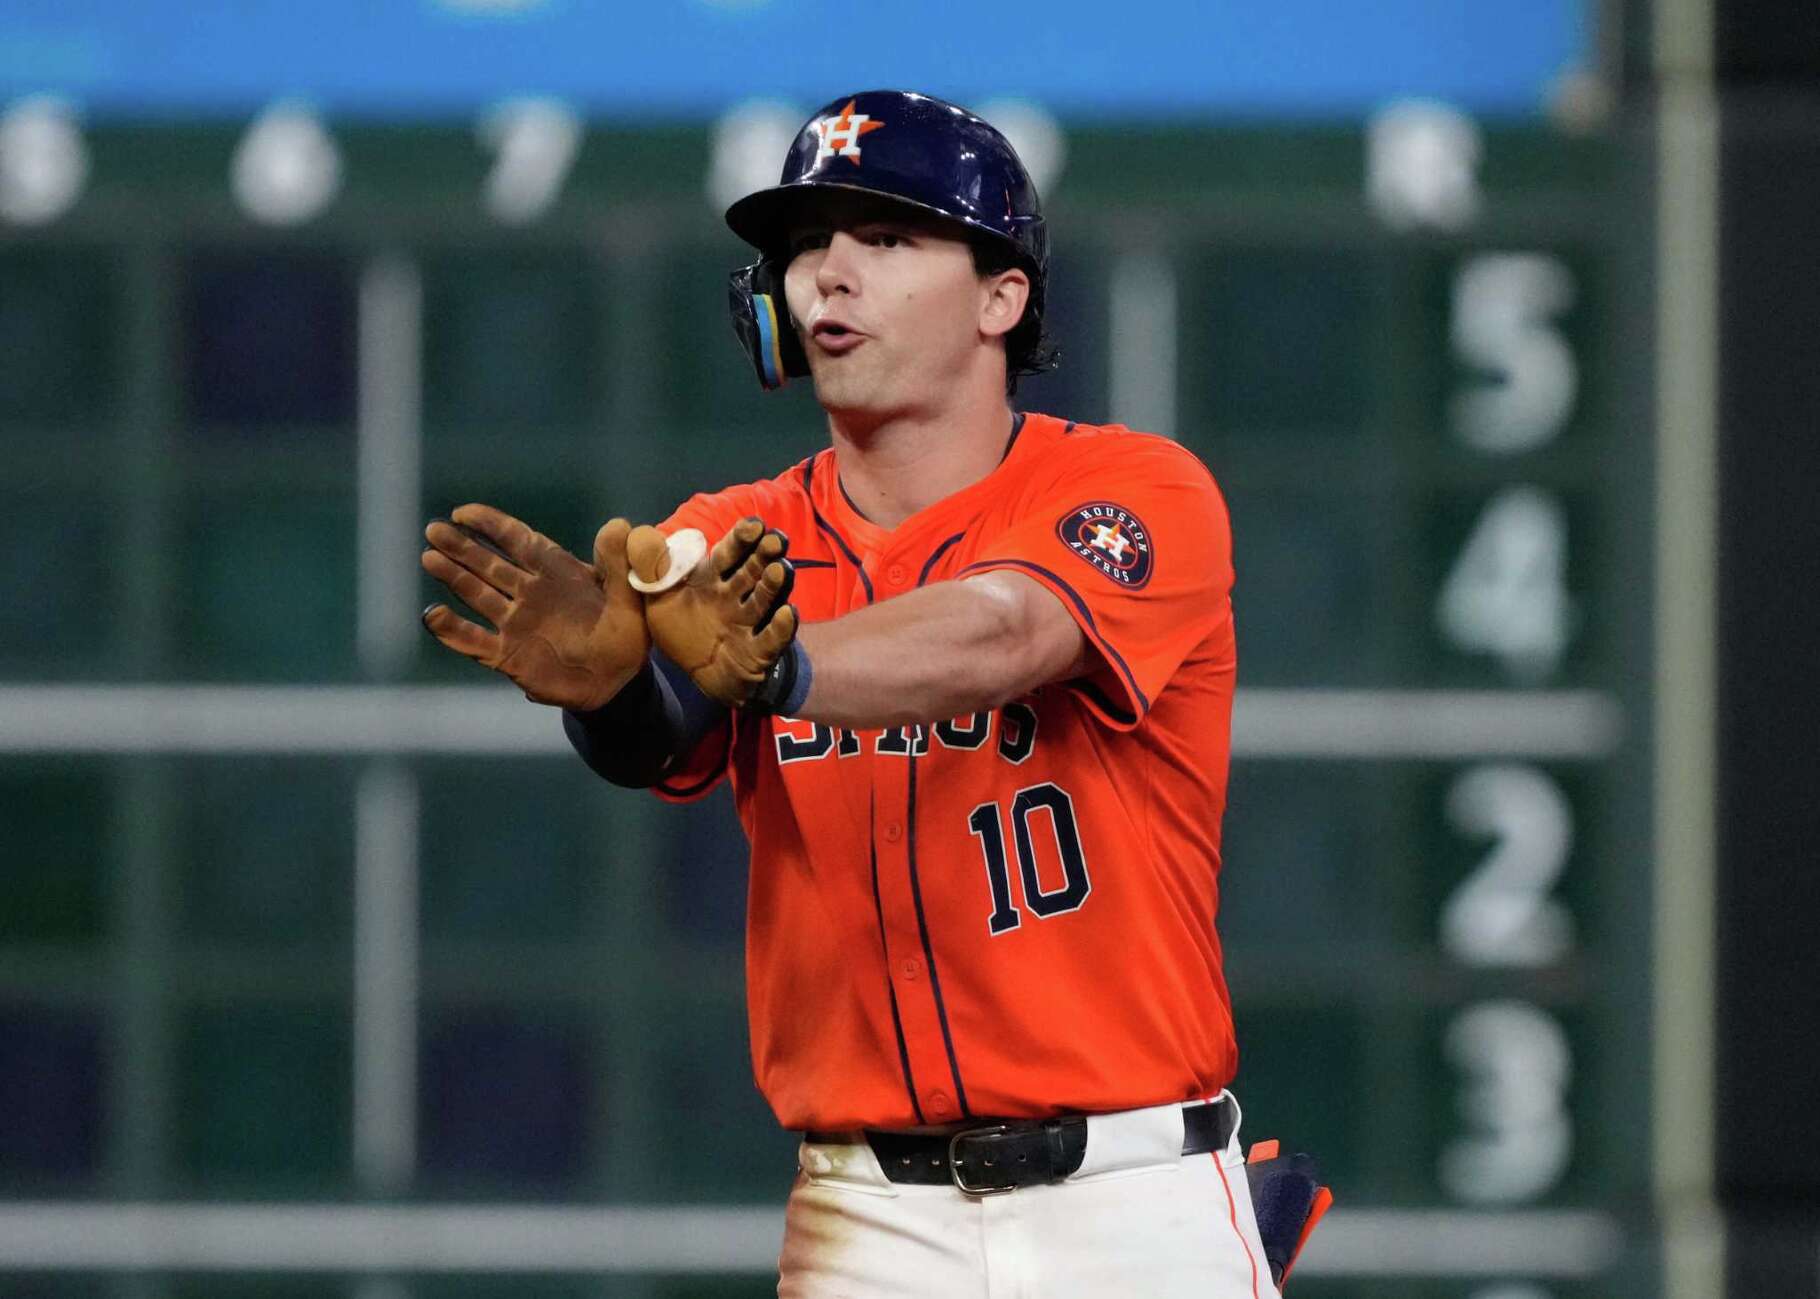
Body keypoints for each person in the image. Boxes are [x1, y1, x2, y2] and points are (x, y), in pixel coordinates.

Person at [421, 89, 1307, 1298]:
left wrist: (783, 668)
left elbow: (1006, 630)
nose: (828, 274)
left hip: (1134, 1200)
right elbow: (660, 742)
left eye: (887, 239)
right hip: (868, 1219)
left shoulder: (1132, 490)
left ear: (1003, 298)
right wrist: (612, 692)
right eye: (803, 246)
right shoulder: (734, 535)